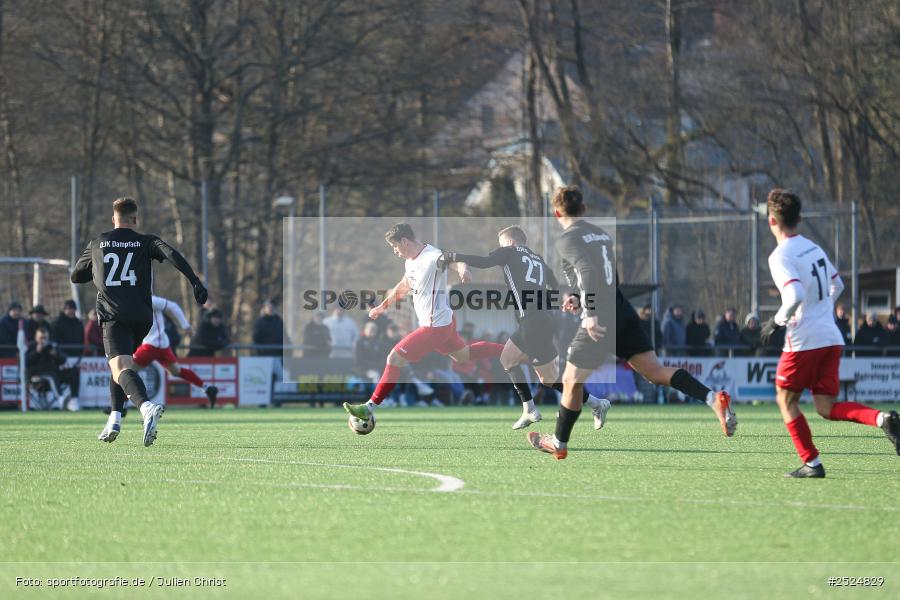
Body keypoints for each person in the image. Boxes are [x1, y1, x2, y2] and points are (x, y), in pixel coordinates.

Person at [527, 186, 736, 459]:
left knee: (570, 380)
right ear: (584, 209)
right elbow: (606, 277)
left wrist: (589, 312)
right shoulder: (600, 234)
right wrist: (580, 298)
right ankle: (712, 399)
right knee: (655, 372)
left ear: (556, 213)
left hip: (601, 317)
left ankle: (559, 442)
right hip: (622, 310)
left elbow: (588, 272)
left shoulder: (567, 239)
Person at [759, 189, 898, 477]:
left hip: (804, 340)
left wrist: (776, 321)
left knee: (786, 400)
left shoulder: (780, 255)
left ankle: (812, 462)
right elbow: (838, 286)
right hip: (831, 337)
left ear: (772, 220)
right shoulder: (813, 247)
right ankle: (882, 419)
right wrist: (821, 311)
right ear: (798, 218)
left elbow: (794, 294)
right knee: (826, 406)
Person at [439, 224, 608, 429]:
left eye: (500, 245)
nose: (498, 248)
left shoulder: (508, 251)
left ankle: (529, 409)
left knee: (508, 360)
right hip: (546, 319)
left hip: (531, 320)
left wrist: (452, 255)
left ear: (510, 242)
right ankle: (596, 403)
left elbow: (484, 262)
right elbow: (553, 283)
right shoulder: (538, 258)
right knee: (548, 378)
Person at [71, 197, 208, 445]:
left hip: (114, 315)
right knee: (120, 365)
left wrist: (97, 269)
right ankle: (114, 418)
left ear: (114, 219)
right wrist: (195, 282)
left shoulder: (99, 242)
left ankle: (146, 408)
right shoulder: (146, 241)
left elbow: (76, 276)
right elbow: (172, 254)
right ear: (135, 220)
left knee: (120, 367)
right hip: (143, 316)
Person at [343, 223, 504, 424]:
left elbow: (455, 260)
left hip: (434, 327)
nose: (395, 251)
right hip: (444, 322)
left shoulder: (432, 256)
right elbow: (402, 287)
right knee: (464, 356)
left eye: (395, 247)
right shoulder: (410, 262)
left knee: (393, 358)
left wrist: (463, 269)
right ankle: (512, 350)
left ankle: (369, 407)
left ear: (405, 241)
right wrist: (381, 307)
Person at [133, 295, 218, 406]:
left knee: (127, 372)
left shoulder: (149, 299)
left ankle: (119, 407)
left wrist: (185, 325)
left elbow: (173, 306)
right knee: (176, 371)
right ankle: (207, 388)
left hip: (151, 345)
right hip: (162, 345)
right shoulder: (132, 302)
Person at [25, 326, 80, 410]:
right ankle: (61, 399)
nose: (43, 340)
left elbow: (64, 359)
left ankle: (74, 400)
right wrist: (36, 352)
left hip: (55, 374)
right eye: (41, 338)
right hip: (37, 376)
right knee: (51, 376)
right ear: (36, 337)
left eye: (45, 338)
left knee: (74, 371)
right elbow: (25, 362)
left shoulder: (52, 345)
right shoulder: (31, 346)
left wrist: (56, 354)